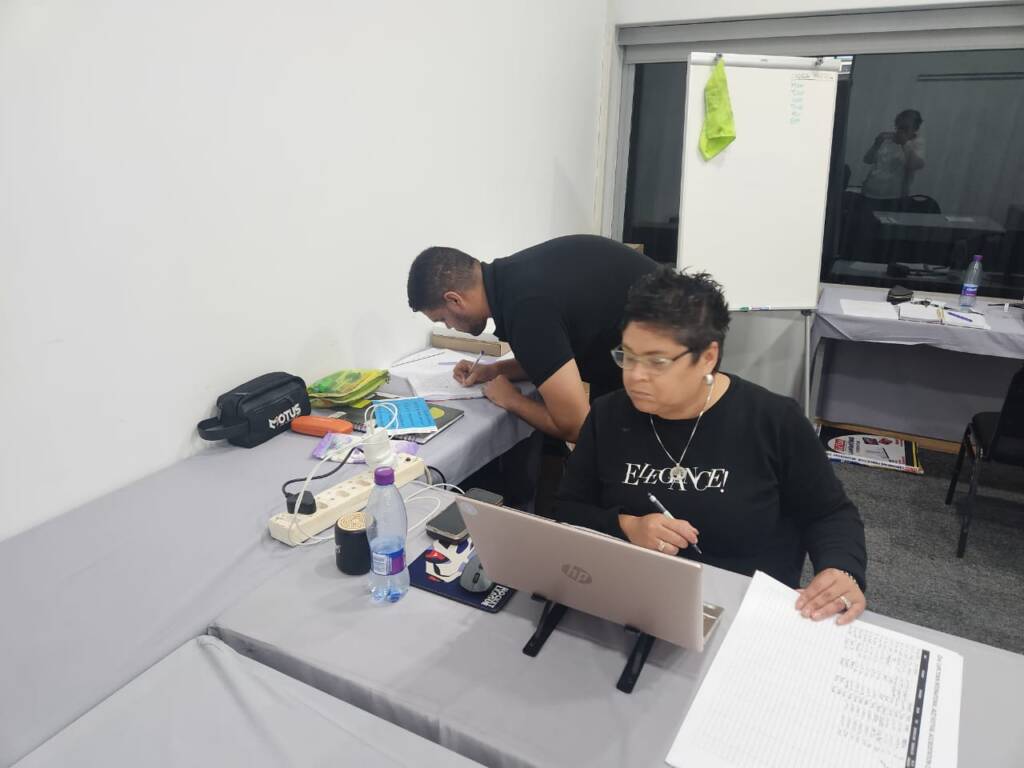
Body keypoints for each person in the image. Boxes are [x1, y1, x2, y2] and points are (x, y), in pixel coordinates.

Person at [554, 267, 868, 624]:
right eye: (628, 356)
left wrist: (842, 569)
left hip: (743, 608)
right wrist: (626, 525)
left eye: (657, 362)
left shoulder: (773, 420)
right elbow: (568, 509)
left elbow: (830, 513)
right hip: (632, 598)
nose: (635, 375)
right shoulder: (608, 414)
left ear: (707, 357)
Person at [406, 235, 657, 442]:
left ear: (454, 300)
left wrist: (511, 400)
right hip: (642, 349)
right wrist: (494, 370)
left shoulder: (525, 310)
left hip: (662, 372)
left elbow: (577, 426)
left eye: (443, 319)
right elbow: (552, 358)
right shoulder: (513, 279)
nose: (449, 327)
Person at [862, 109, 926, 202]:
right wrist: (876, 144)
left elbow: (915, 165)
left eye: (905, 128)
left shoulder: (917, 143)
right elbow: (867, 160)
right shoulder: (886, 139)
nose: (900, 131)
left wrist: (904, 143)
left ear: (915, 129)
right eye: (899, 127)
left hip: (894, 198)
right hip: (868, 193)